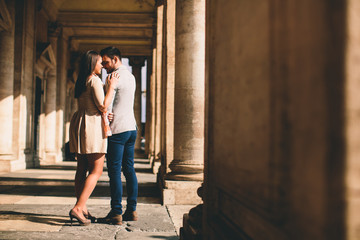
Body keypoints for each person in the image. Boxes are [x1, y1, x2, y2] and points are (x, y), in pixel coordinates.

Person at [68, 50, 119, 225]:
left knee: (81, 168)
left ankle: (82, 208)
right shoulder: (94, 80)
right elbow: (103, 106)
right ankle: (78, 207)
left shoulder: (81, 81)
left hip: (79, 123)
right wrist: (111, 86)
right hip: (92, 125)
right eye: (99, 63)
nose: (102, 66)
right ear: (92, 64)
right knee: (96, 170)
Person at [97, 46, 138, 225]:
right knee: (129, 170)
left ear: (115, 59)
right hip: (132, 128)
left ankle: (116, 212)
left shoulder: (112, 77)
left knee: (114, 171)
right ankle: (132, 210)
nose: (104, 66)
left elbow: (106, 105)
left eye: (106, 62)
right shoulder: (131, 76)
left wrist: (107, 111)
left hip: (118, 129)